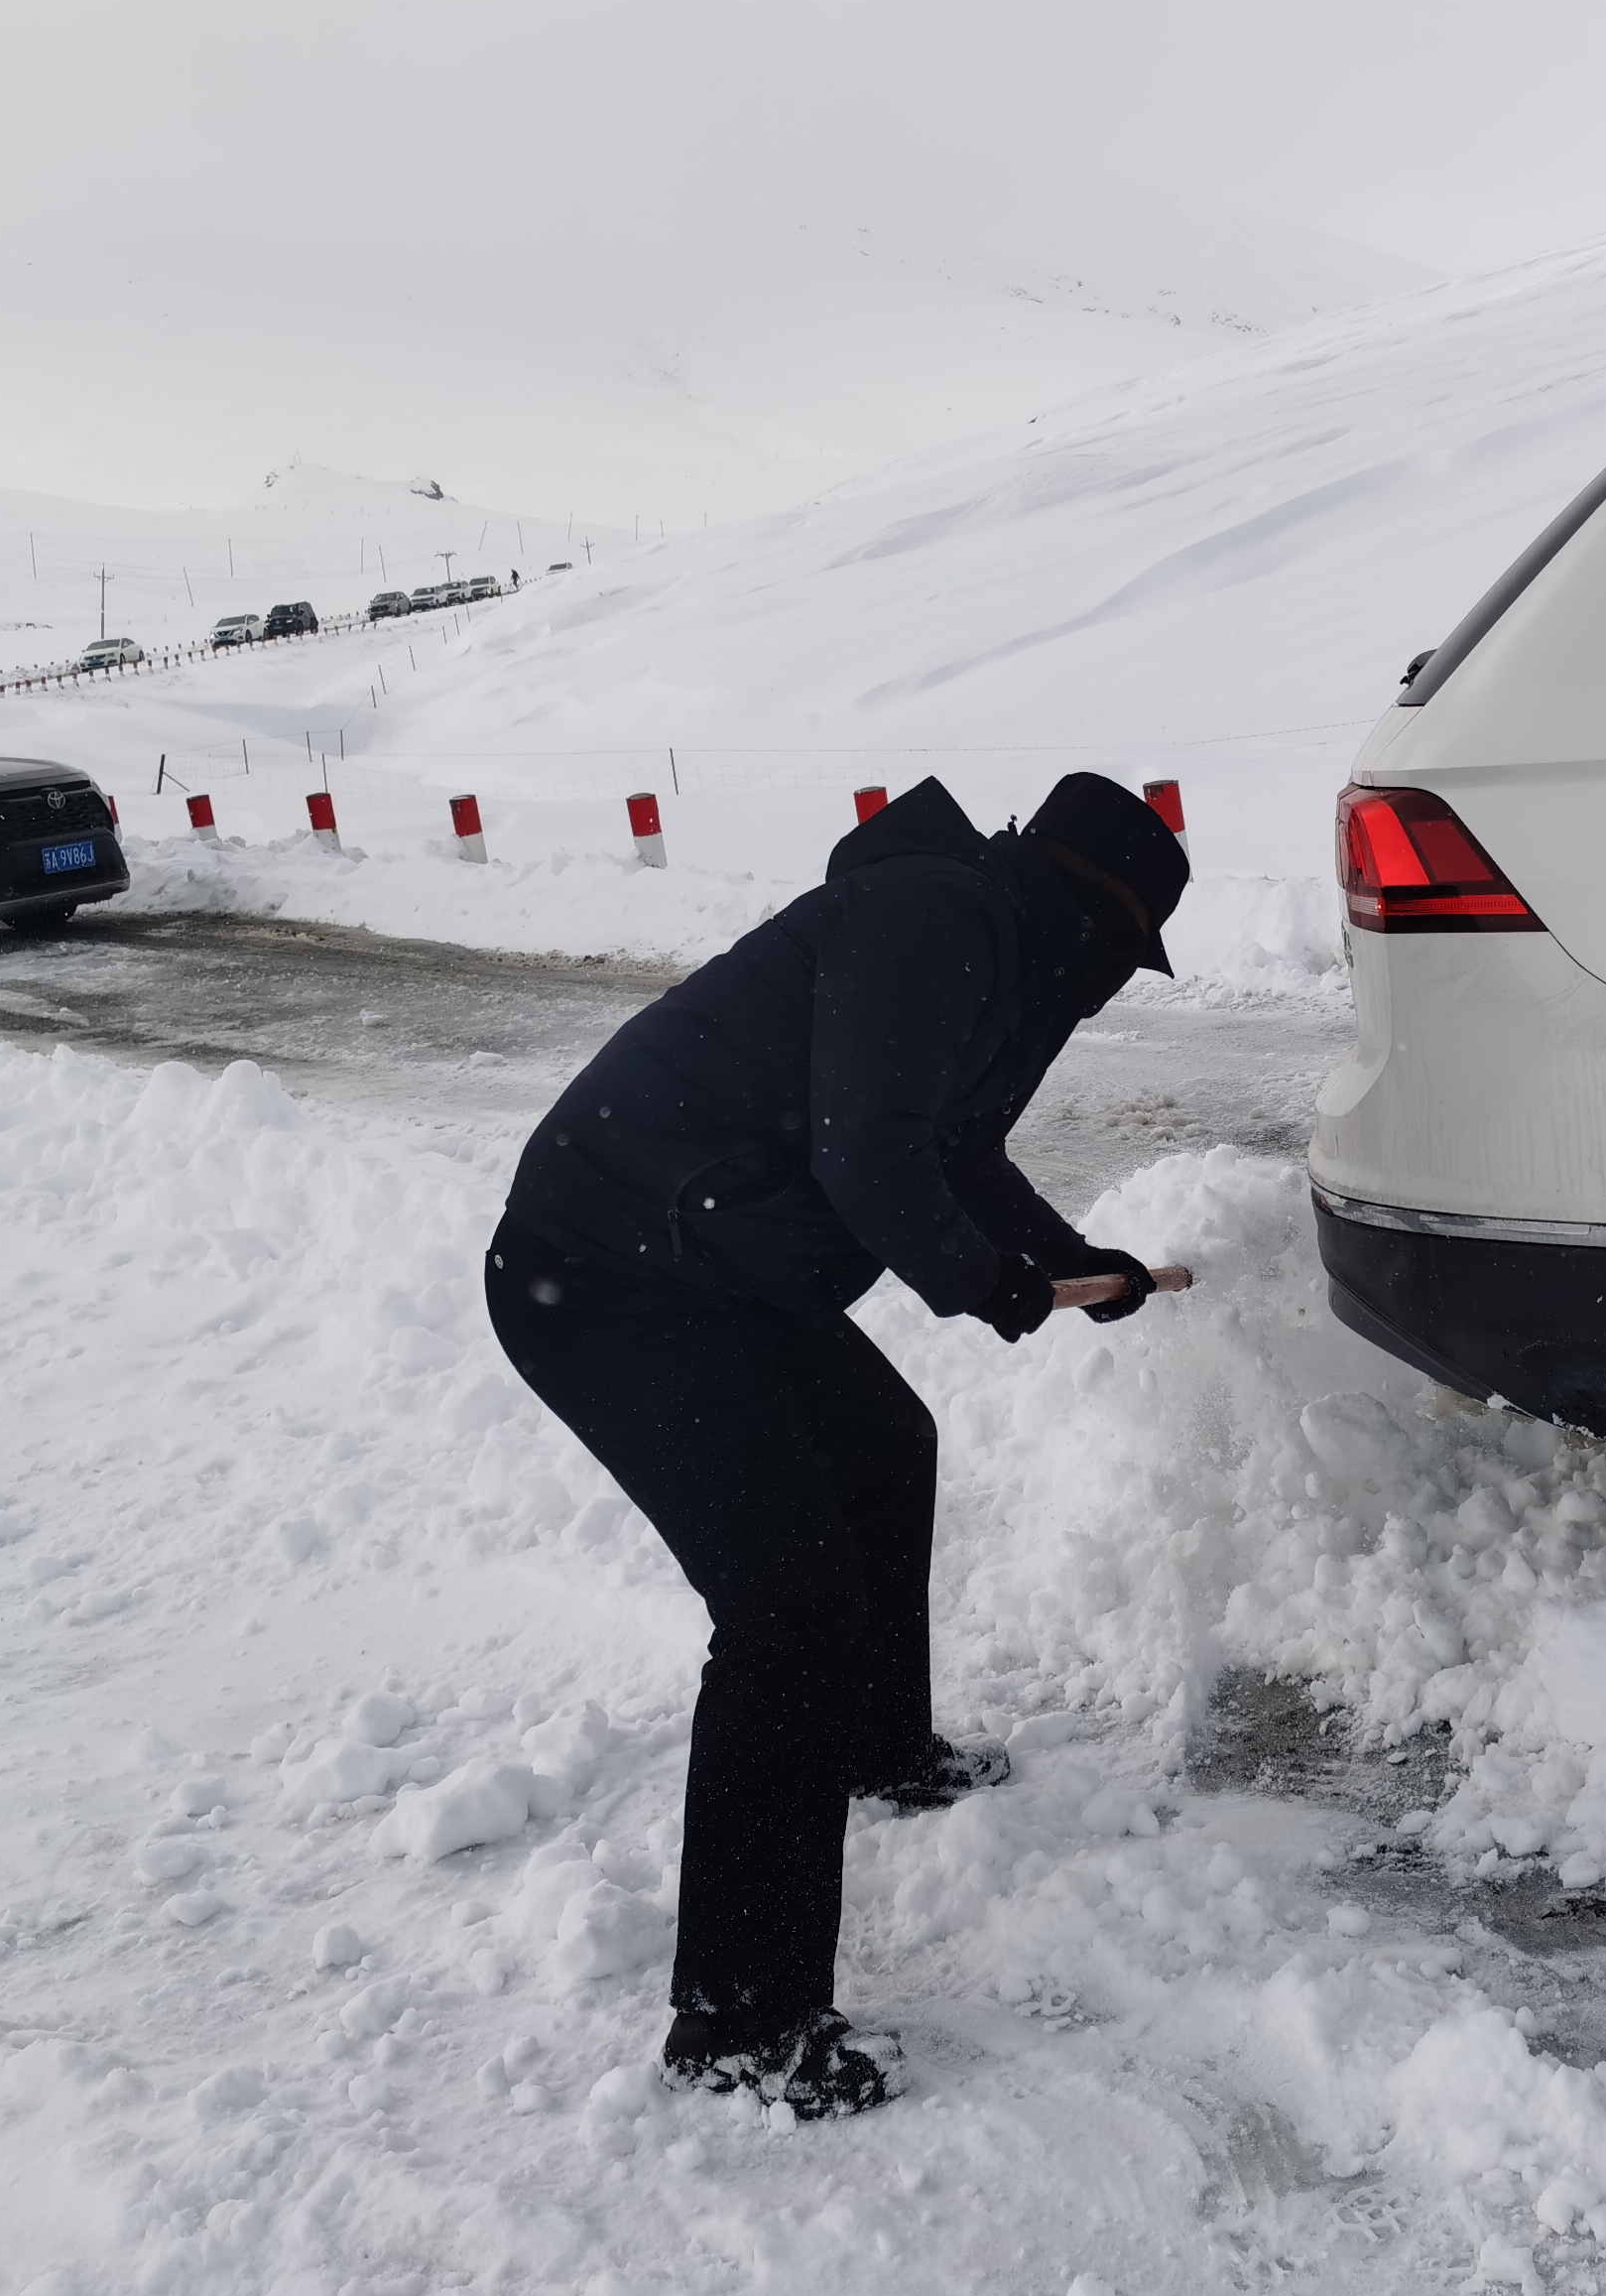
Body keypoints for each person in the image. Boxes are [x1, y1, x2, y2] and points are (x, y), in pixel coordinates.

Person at [482, 771, 1190, 2118]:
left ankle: (876, 1746)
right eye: (1123, 954)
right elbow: (868, 1158)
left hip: (716, 1276)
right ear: (1089, 915)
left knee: (885, 1450)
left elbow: (958, 1152)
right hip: (611, 1277)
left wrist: (1069, 1260)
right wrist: (995, 1289)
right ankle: (743, 2026)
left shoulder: (995, 955)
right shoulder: (937, 919)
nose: (1110, 990)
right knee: (787, 1615)